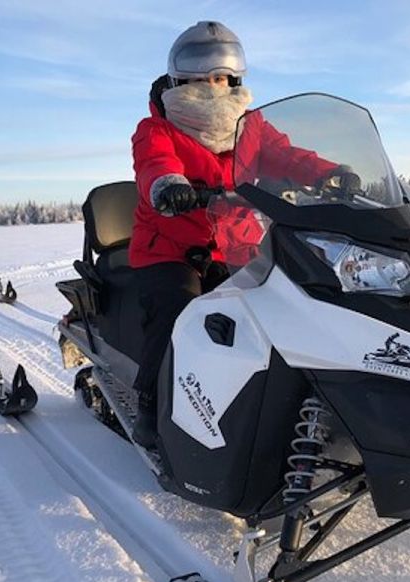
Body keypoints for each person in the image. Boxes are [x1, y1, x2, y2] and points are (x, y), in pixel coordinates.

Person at [128, 21, 358, 449]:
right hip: (172, 248)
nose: (212, 88)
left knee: (288, 305)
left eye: (220, 78)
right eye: (201, 79)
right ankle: (149, 403)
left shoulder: (249, 126)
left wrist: (332, 174)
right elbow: (153, 163)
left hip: (238, 245)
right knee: (178, 311)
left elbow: (287, 156)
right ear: (181, 80)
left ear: (233, 79)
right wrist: (168, 185)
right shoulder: (157, 129)